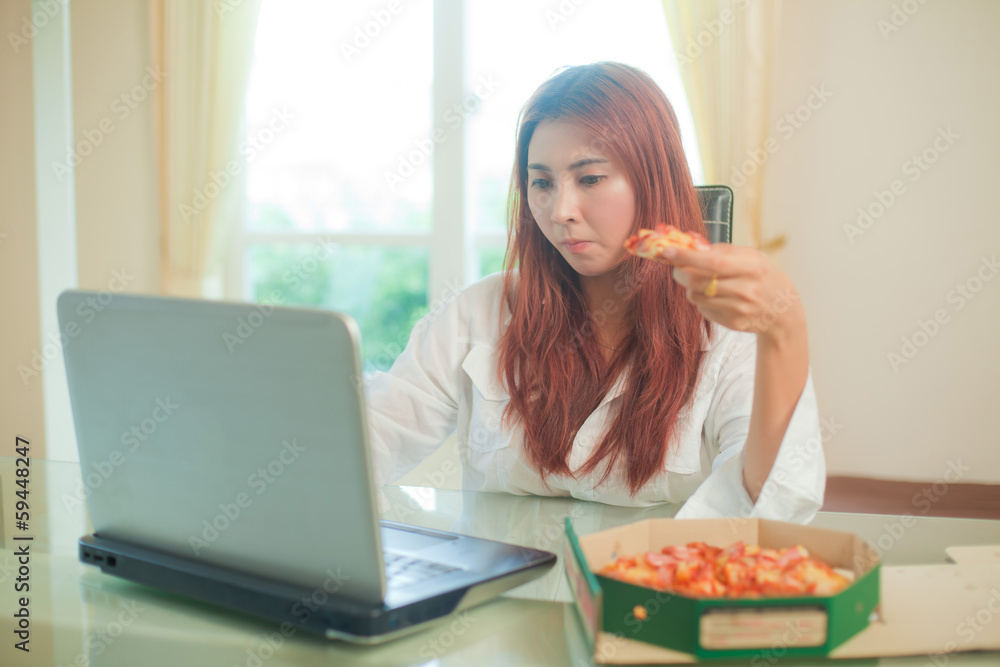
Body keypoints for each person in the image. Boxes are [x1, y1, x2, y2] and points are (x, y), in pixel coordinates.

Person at [365, 62, 825, 522]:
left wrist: (785, 329)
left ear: (653, 180)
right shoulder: (478, 313)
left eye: (590, 179)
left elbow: (773, 511)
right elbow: (373, 435)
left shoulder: (729, 333)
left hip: (654, 588)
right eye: (542, 183)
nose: (560, 210)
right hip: (498, 585)